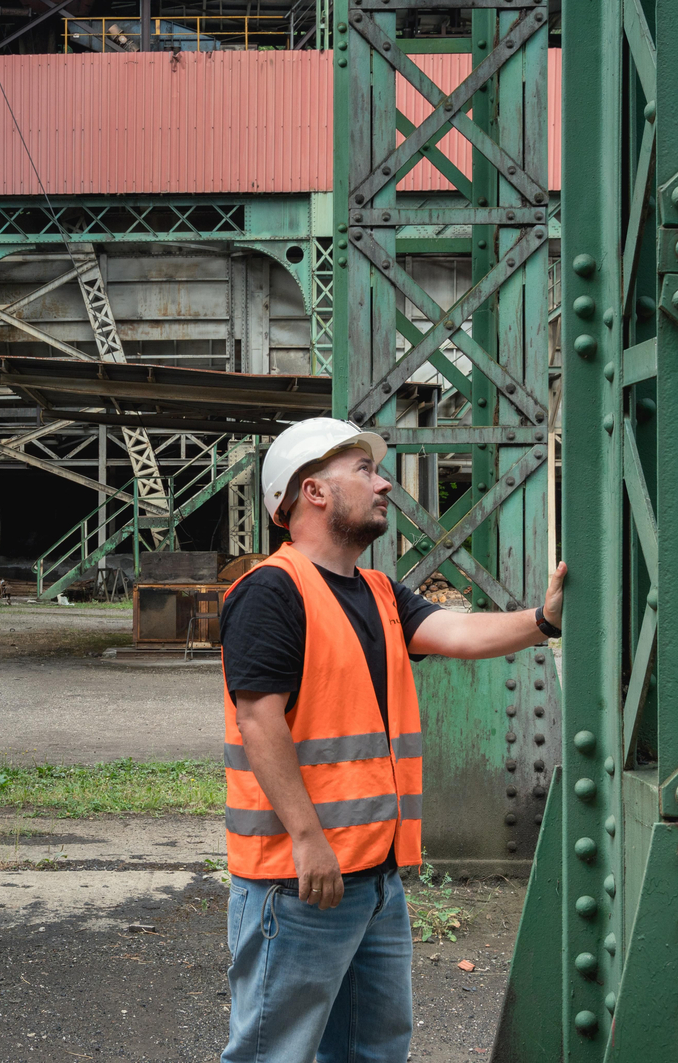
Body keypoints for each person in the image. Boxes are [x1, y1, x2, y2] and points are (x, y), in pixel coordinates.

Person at [219, 418, 564, 1063]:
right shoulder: (272, 591)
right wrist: (308, 839)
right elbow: (260, 722)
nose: (383, 485)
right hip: (298, 879)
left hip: (375, 878)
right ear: (314, 492)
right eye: (365, 471)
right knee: (273, 1053)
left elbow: (458, 634)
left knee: (374, 1050)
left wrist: (543, 620)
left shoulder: (378, 592)